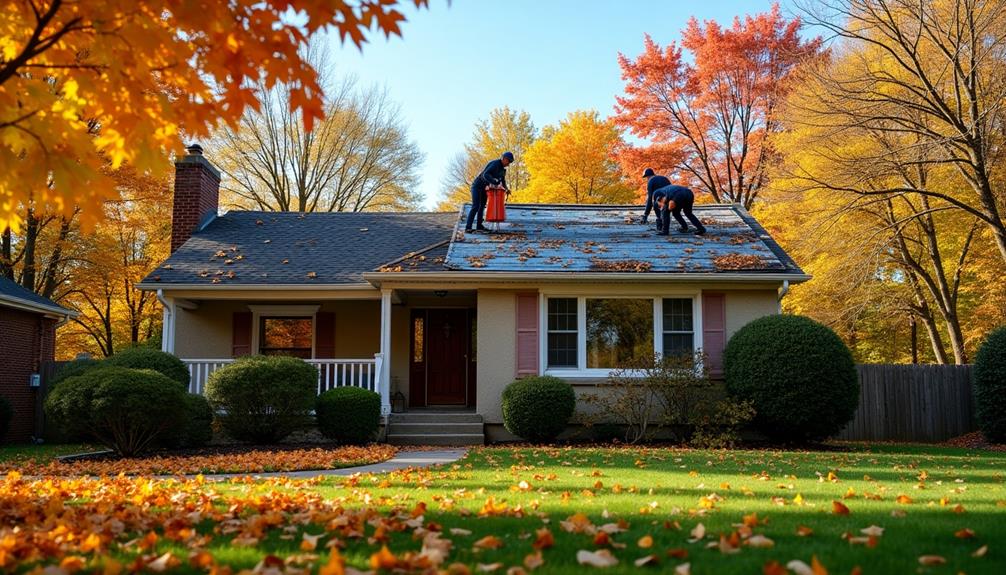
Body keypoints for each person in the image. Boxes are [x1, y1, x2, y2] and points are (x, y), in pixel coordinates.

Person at [465, 151, 513, 232]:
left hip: (485, 188)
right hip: (477, 186)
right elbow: (485, 174)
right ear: (504, 159)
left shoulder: (502, 170)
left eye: (510, 162)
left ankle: (479, 226)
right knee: (475, 206)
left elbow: (503, 180)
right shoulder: (495, 164)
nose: (508, 164)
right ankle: (468, 227)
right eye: (509, 161)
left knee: (482, 206)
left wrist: (506, 189)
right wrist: (494, 181)